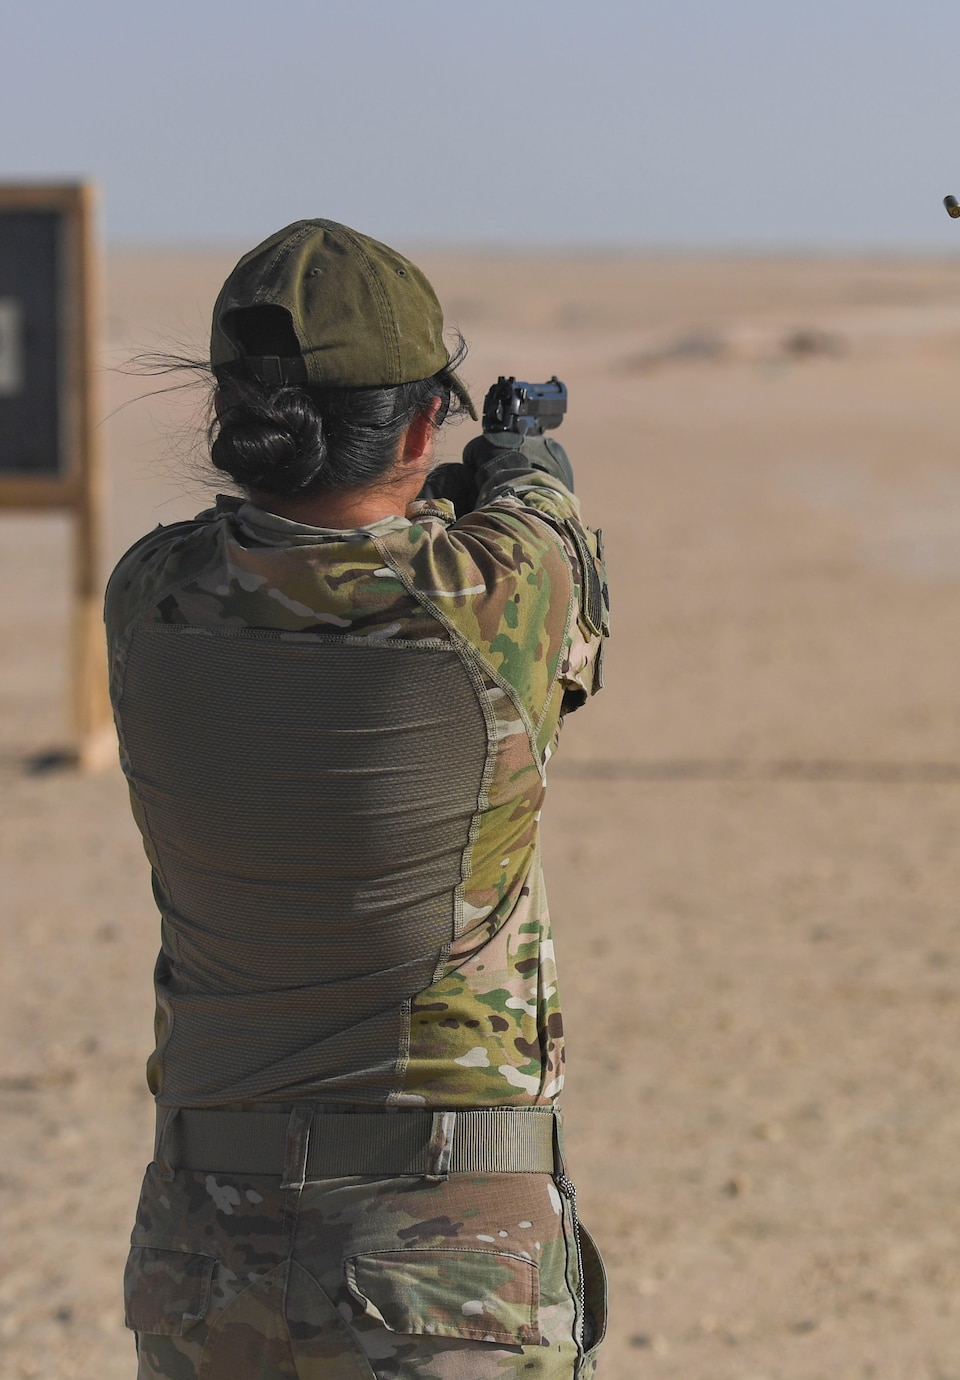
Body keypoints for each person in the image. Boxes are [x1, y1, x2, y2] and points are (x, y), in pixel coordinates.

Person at [104, 219, 609, 1378]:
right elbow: (545, 532)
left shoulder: (149, 597)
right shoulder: (491, 597)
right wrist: (520, 459)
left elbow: (287, 569)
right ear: (425, 422)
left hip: (200, 1251)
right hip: (441, 1256)